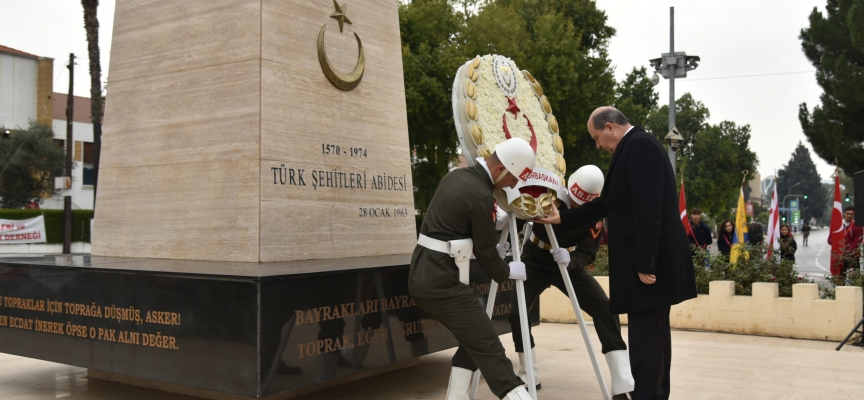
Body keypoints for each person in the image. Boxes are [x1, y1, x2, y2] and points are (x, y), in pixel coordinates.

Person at [534, 107, 696, 400]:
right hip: (648, 262)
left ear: (610, 127)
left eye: (597, 137)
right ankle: (654, 395)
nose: (598, 145)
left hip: (648, 265)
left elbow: (649, 211)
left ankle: (648, 395)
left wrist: (646, 262)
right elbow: (606, 204)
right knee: (654, 337)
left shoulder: (640, 146)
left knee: (647, 339)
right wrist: (563, 218)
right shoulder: (632, 148)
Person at [409, 138, 535, 400]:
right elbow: (487, 254)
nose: (514, 185)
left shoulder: (457, 176)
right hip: (443, 284)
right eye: (513, 178)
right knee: (490, 348)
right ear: (500, 169)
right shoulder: (481, 196)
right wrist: (509, 271)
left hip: (425, 274)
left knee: (473, 340)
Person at [507, 165, 634, 399]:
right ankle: (529, 373)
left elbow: (588, 252)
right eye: (573, 201)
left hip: (566, 263)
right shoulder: (549, 192)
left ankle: (623, 381)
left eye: (581, 206)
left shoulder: (596, 214)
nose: (575, 207)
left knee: (605, 309)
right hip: (535, 259)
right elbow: (520, 212)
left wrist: (571, 260)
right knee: (517, 313)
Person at [828, 206, 863, 276]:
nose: (849, 216)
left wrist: (847, 252)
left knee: (854, 278)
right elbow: (830, 239)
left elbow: (858, 241)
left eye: (851, 214)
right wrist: (837, 246)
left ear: (854, 215)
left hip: (852, 257)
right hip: (839, 257)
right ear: (844, 213)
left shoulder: (858, 226)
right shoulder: (837, 226)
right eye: (847, 213)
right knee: (840, 278)